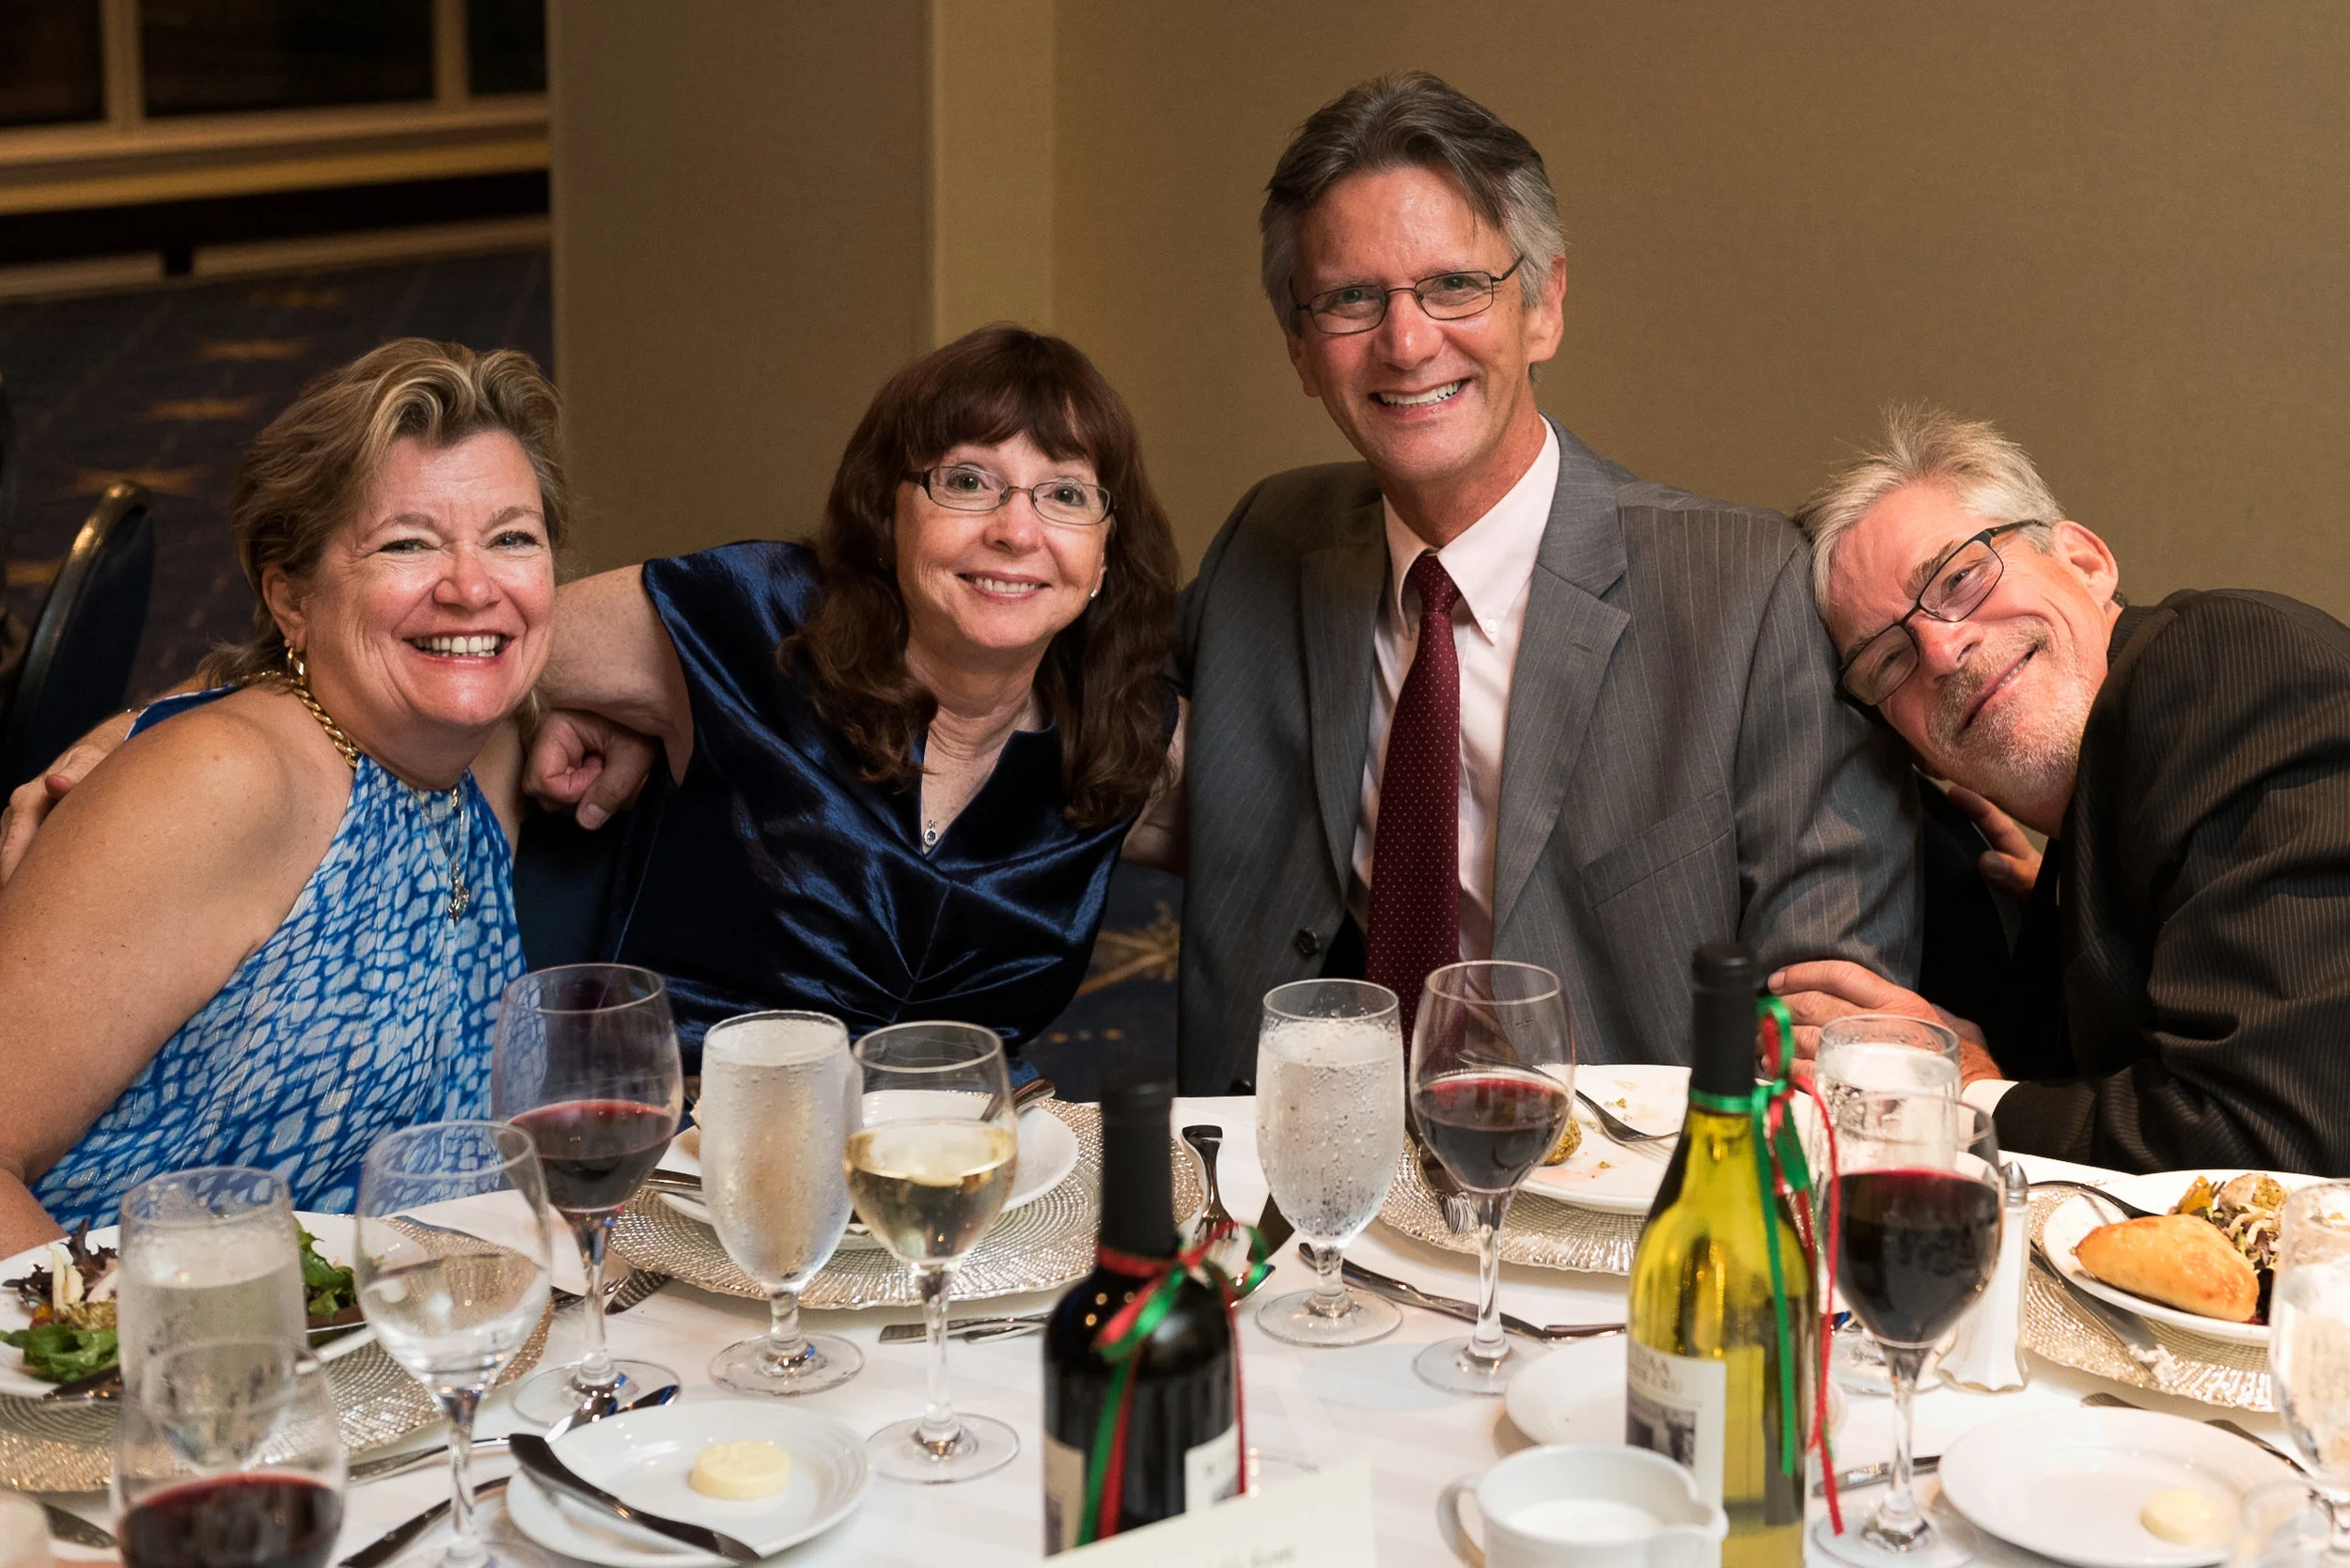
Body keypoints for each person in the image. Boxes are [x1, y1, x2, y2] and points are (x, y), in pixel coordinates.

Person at [1175, 71, 1918, 1091]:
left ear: (1543, 306)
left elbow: (1831, 1013)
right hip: (1299, 1152)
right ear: (1300, 350)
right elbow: (1082, 738)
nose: (1406, 342)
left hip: (1624, 1169)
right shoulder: (1268, 542)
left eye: (1455, 285)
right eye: (1351, 299)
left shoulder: (1745, 596)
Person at [0, 338, 561, 1251]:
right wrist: (109, 1341)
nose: (471, 586)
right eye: (407, 543)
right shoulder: (223, 781)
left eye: (512, 539)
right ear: (291, 598)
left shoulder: (476, 748)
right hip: (122, 1325)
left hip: (393, 1324)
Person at [522, 325, 1181, 1065]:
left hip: (964, 1135)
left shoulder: (1123, 728)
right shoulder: (746, 620)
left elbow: (1282, 847)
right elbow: (476, 644)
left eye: (1065, 494)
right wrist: (551, 709)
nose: (1017, 531)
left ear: (1103, 554)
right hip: (687, 1122)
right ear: (886, 515)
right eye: (967, 482)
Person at [1776, 406, 2350, 1175]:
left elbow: (2267, 1136)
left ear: (2084, 562)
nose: (1942, 650)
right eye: (1888, 660)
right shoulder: (2070, 862)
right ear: (1910, 746)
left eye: (1960, 577)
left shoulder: (2226, 666)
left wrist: (1957, 1092)